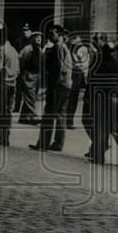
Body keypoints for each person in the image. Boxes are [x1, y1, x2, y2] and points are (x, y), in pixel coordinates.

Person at [30, 24, 72, 152]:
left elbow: (57, 69)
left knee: (49, 113)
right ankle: (58, 143)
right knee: (60, 115)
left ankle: (43, 143)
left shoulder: (57, 48)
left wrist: (51, 87)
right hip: (65, 85)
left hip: (57, 86)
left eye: (52, 33)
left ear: (58, 34)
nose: (50, 35)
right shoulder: (64, 48)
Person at [66, 33, 90, 130]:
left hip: (76, 74)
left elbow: (84, 64)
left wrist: (85, 76)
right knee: (70, 98)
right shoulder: (70, 47)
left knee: (72, 98)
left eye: (75, 38)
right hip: (71, 73)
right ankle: (67, 120)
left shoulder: (82, 49)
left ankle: (69, 121)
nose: (73, 40)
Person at [17, 30, 42, 125]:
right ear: (32, 39)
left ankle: (23, 118)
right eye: (36, 37)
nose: (39, 39)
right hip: (28, 75)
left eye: (40, 37)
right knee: (30, 97)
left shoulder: (39, 49)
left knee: (31, 96)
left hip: (36, 75)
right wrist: (21, 73)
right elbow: (20, 59)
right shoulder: (28, 49)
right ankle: (33, 116)